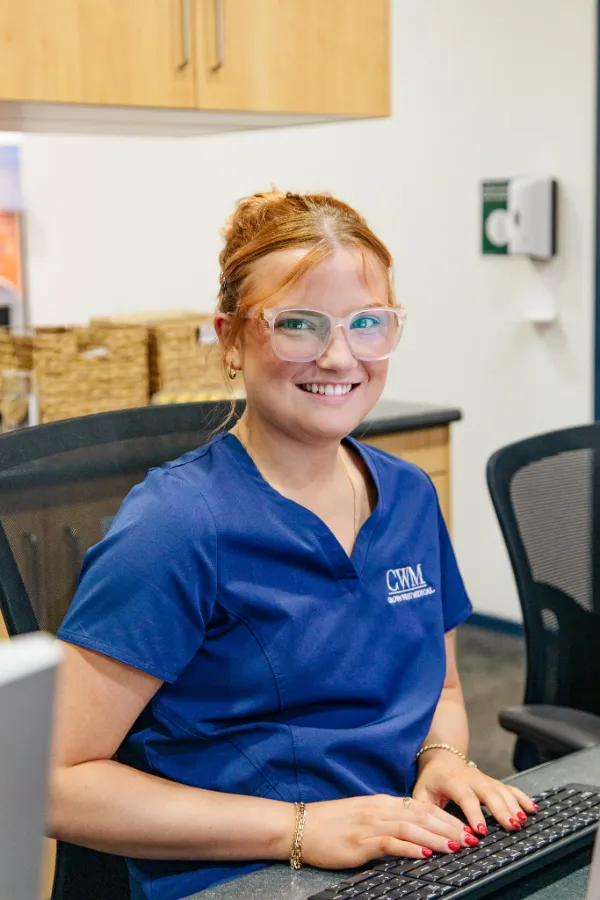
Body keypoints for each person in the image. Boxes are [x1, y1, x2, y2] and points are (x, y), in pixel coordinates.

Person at [51, 191, 536, 900]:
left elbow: (444, 686)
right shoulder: (176, 525)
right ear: (231, 338)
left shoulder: (408, 496)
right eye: (299, 325)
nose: (340, 356)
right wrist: (298, 828)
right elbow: (49, 783)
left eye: (368, 323)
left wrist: (441, 760)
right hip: (245, 874)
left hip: (399, 858)